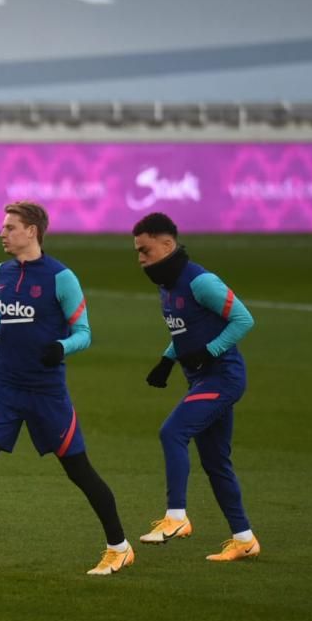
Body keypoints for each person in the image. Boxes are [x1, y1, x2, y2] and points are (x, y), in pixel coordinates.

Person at [0, 201, 132, 579]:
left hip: (46, 393)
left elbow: (84, 332)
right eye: (3, 226)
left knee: (78, 470)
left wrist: (61, 348)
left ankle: (119, 547)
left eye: (10, 227)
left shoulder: (61, 277)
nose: (2, 233)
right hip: (2, 387)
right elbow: (4, 314)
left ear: (31, 231)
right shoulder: (1, 272)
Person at [132, 212, 260, 561]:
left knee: (172, 432)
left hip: (223, 378)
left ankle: (177, 517)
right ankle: (245, 539)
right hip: (202, 377)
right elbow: (188, 331)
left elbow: (243, 319)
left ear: (167, 244)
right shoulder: (167, 286)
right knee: (216, 461)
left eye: (145, 250)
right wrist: (167, 359)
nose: (141, 259)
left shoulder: (200, 281)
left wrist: (211, 351)